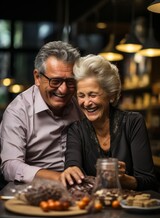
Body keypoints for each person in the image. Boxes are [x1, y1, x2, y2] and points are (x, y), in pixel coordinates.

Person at [60, 54, 158, 191]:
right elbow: (72, 163)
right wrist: (71, 170)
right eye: (81, 96)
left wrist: (124, 179)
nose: (87, 103)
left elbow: (149, 182)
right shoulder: (76, 130)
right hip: (92, 208)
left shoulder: (133, 122)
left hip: (128, 207)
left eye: (93, 95)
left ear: (111, 95)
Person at [0, 40, 84, 184]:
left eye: (70, 82)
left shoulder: (80, 105)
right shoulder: (18, 111)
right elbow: (10, 167)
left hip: (78, 185)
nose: (63, 90)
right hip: (31, 189)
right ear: (37, 77)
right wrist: (59, 177)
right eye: (55, 81)